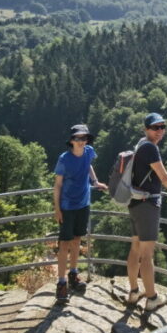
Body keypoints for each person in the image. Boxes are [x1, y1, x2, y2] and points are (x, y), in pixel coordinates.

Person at [126, 112, 167, 312]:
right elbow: (164, 176)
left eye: (162, 127)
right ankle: (152, 298)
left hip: (135, 202)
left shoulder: (140, 144)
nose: (160, 131)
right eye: (155, 127)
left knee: (135, 248)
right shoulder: (150, 149)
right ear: (146, 129)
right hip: (147, 205)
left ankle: (134, 291)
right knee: (146, 254)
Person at [53, 123, 107, 302]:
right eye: (78, 138)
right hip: (67, 206)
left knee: (77, 241)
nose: (81, 141)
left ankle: (73, 275)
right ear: (71, 140)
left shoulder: (89, 151)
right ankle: (61, 284)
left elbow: (89, 165)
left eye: (84, 138)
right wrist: (57, 209)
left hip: (83, 204)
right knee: (64, 245)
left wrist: (95, 181)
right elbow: (58, 184)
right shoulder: (64, 159)